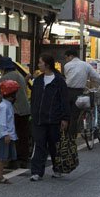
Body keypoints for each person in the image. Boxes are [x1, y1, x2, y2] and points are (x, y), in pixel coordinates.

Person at [30, 53, 70, 181]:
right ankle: (37, 172)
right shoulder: (38, 80)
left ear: (47, 65)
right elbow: (34, 99)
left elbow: (64, 100)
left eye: (40, 63)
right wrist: (33, 113)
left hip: (54, 119)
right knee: (39, 144)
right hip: (39, 119)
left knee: (54, 145)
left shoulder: (59, 81)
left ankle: (57, 168)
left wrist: (65, 118)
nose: (38, 65)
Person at [0, 55, 30, 170]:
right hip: (25, 109)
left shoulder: (4, 79)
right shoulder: (19, 75)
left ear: (3, 67)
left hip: (14, 110)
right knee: (23, 136)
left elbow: (0, 97)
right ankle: (23, 160)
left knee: (12, 137)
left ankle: (12, 160)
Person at [62, 49, 100, 138]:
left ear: (71, 56)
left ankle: (64, 136)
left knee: (66, 114)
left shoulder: (67, 65)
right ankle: (72, 137)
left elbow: (68, 77)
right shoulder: (86, 65)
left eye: (66, 58)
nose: (66, 60)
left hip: (66, 92)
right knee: (74, 116)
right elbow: (97, 77)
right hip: (78, 93)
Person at [0, 80, 19, 184]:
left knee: (6, 156)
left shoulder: (7, 105)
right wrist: (5, 134)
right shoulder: (3, 107)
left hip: (8, 135)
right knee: (3, 157)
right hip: (5, 136)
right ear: (11, 95)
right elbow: (2, 122)